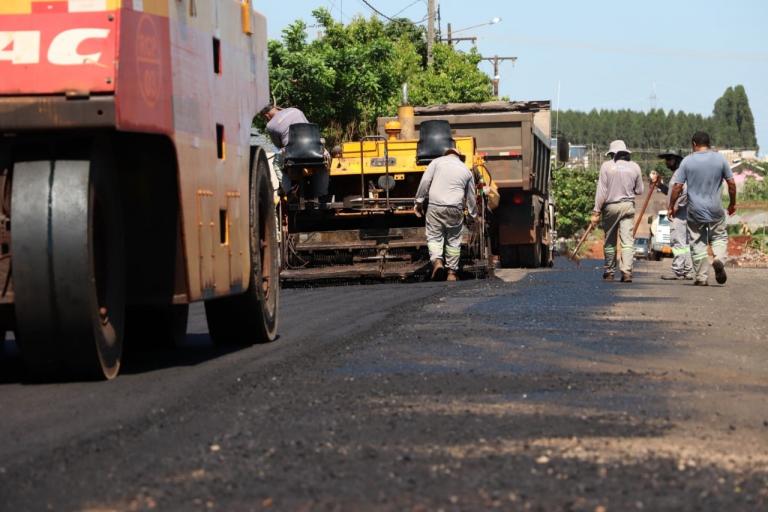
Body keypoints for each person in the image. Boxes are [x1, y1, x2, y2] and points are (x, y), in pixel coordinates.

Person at [669, 131, 736, 286]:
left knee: (697, 241)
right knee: (719, 237)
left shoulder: (687, 161)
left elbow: (677, 187)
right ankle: (718, 258)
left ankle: (701, 277)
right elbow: (731, 184)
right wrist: (732, 203)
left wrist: (672, 206)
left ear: (694, 144)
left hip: (694, 211)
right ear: (709, 143)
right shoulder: (720, 159)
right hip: (716, 209)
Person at [415, 147, 478, 282]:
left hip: (435, 207)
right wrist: (473, 215)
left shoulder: (436, 162)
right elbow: (471, 195)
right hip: (455, 208)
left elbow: (425, 182)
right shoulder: (466, 170)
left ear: (446, 154)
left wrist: (419, 202)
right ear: (459, 156)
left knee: (434, 237)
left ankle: (437, 262)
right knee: (454, 241)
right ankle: (451, 272)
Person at [591, 140, 644, 282]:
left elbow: (601, 191)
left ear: (613, 154)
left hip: (611, 208)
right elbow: (640, 190)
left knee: (610, 241)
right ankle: (627, 272)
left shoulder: (606, 166)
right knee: (627, 242)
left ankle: (609, 272)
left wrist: (596, 212)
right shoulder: (635, 167)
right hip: (628, 206)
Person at [260, 105, 328, 198]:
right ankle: (323, 193)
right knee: (324, 163)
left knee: (276, 164)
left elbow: (279, 145)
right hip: (314, 149)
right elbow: (308, 128)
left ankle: (289, 192)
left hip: (293, 154)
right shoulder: (296, 110)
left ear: (266, 116)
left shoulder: (270, 125)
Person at [650, 150, 694, 280]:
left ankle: (677, 270)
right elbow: (671, 193)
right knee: (684, 243)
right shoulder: (678, 174)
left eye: (668, 159)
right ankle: (687, 270)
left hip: (679, 215)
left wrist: (675, 207)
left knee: (678, 243)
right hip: (681, 213)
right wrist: (660, 185)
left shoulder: (681, 174)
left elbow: (684, 193)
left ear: (675, 160)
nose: (666, 162)